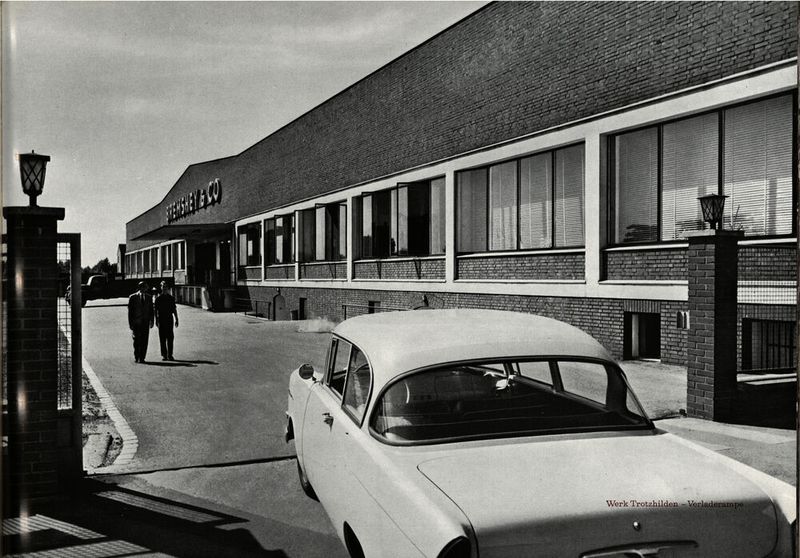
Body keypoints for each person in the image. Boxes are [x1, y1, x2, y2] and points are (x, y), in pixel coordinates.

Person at [128, 281, 154, 363]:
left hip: (145, 322)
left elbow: (151, 310)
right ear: (140, 288)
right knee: (136, 340)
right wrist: (130, 323)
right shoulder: (132, 297)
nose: (145, 289)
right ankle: (137, 356)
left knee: (144, 340)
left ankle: (142, 357)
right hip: (136, 322)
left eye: (145, 287)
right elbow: (130, 312)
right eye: (144, 287)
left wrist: (152, 321)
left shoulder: (149, 297)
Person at [154, 281, 179, 361]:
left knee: (170, 337)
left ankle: (170, 355)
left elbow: (174, 309)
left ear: (168, 288)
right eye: (163, 287)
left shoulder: (171, 298)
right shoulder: (158, 299)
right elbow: (155, 310)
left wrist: (177, 319)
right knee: (162, 338)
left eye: (166, 287)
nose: (164, 288)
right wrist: (156, 320)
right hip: (161, 319)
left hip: (169, 319)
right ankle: (164, 355)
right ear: (161, 288)